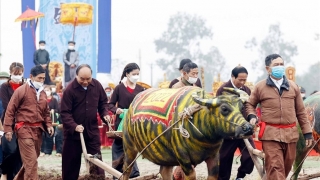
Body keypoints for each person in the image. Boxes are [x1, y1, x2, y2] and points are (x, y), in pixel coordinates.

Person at [246, 54, 313, 179]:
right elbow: (250, 104)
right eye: (276, 65)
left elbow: (301, 112)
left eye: (281, 64)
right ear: (268, 69)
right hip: (270, 134)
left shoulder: (293, 87)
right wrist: (251, 115)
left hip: (290, 135)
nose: (280, 67)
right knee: (276, 168)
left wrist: (307, 132)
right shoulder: (260, 87)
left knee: (285, 168)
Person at [3, 65, 54, 180]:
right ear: (31, 76)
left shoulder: (43, 93)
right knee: (31, 163)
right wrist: (8, 130)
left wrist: (49, 125)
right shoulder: (21, 91)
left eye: (43, 78)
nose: (41, 81)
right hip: (24, 129)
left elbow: (46, 112)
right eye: (39, 78)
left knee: (30, 162)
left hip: (38, 131)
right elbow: (10, 110)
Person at [60, 64, 109, 180]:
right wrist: (74, 126)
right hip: (73, 135)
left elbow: (103, 103)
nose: (86, 82)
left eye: (88, 79)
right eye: (82, 79)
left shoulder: (97, 86)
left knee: (96, 164)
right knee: (70, 165)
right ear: (76, 76)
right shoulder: (69, 90)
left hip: (92, 132)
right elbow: (65, 113)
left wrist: (105, 115)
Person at [216, 66, 255, 180]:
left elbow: (249, 107)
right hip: (229, 133)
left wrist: (252, 117)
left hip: (245, 129)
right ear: (233, 77)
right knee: (224, 160)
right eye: (240, 80)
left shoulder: (246, 90)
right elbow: (220, 112)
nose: (242, 82)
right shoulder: (223, 90)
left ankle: (240, 176)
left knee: (251, 155)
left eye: (245, 80)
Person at [107, 63, 144, 178]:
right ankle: (117, 173)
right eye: (134, 74)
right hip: (122, 122)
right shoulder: (119, 88)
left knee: (132, 147)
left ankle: (133, 173)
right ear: (127, 74)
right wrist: (116, 110)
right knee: (119, 145)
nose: (136, 76)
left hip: (135, 122)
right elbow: (110, 104)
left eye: (138, 74)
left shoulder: (140, 89)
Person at [0, 63, 25, 180]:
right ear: (10, 73)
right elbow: (7, 105)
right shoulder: (4, 87)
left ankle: (16, 176)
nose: (18, 76)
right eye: (15, 74)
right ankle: (4, 172)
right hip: (9, 122)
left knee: (20, 152)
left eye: (20, 74)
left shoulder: (26, 85)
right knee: (11, 150)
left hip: (24, 124)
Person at [40, 85, 59, 157]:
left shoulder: (54, 100)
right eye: (45, 90)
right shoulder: (41, 99)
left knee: (50, 136)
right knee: (42, 136)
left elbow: (58, 109)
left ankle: (48, 151)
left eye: (48, 90)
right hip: (42, 120)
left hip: (51, 120)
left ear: (51, 91)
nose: (46, 92)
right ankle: (42, 151)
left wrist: (53, 110)